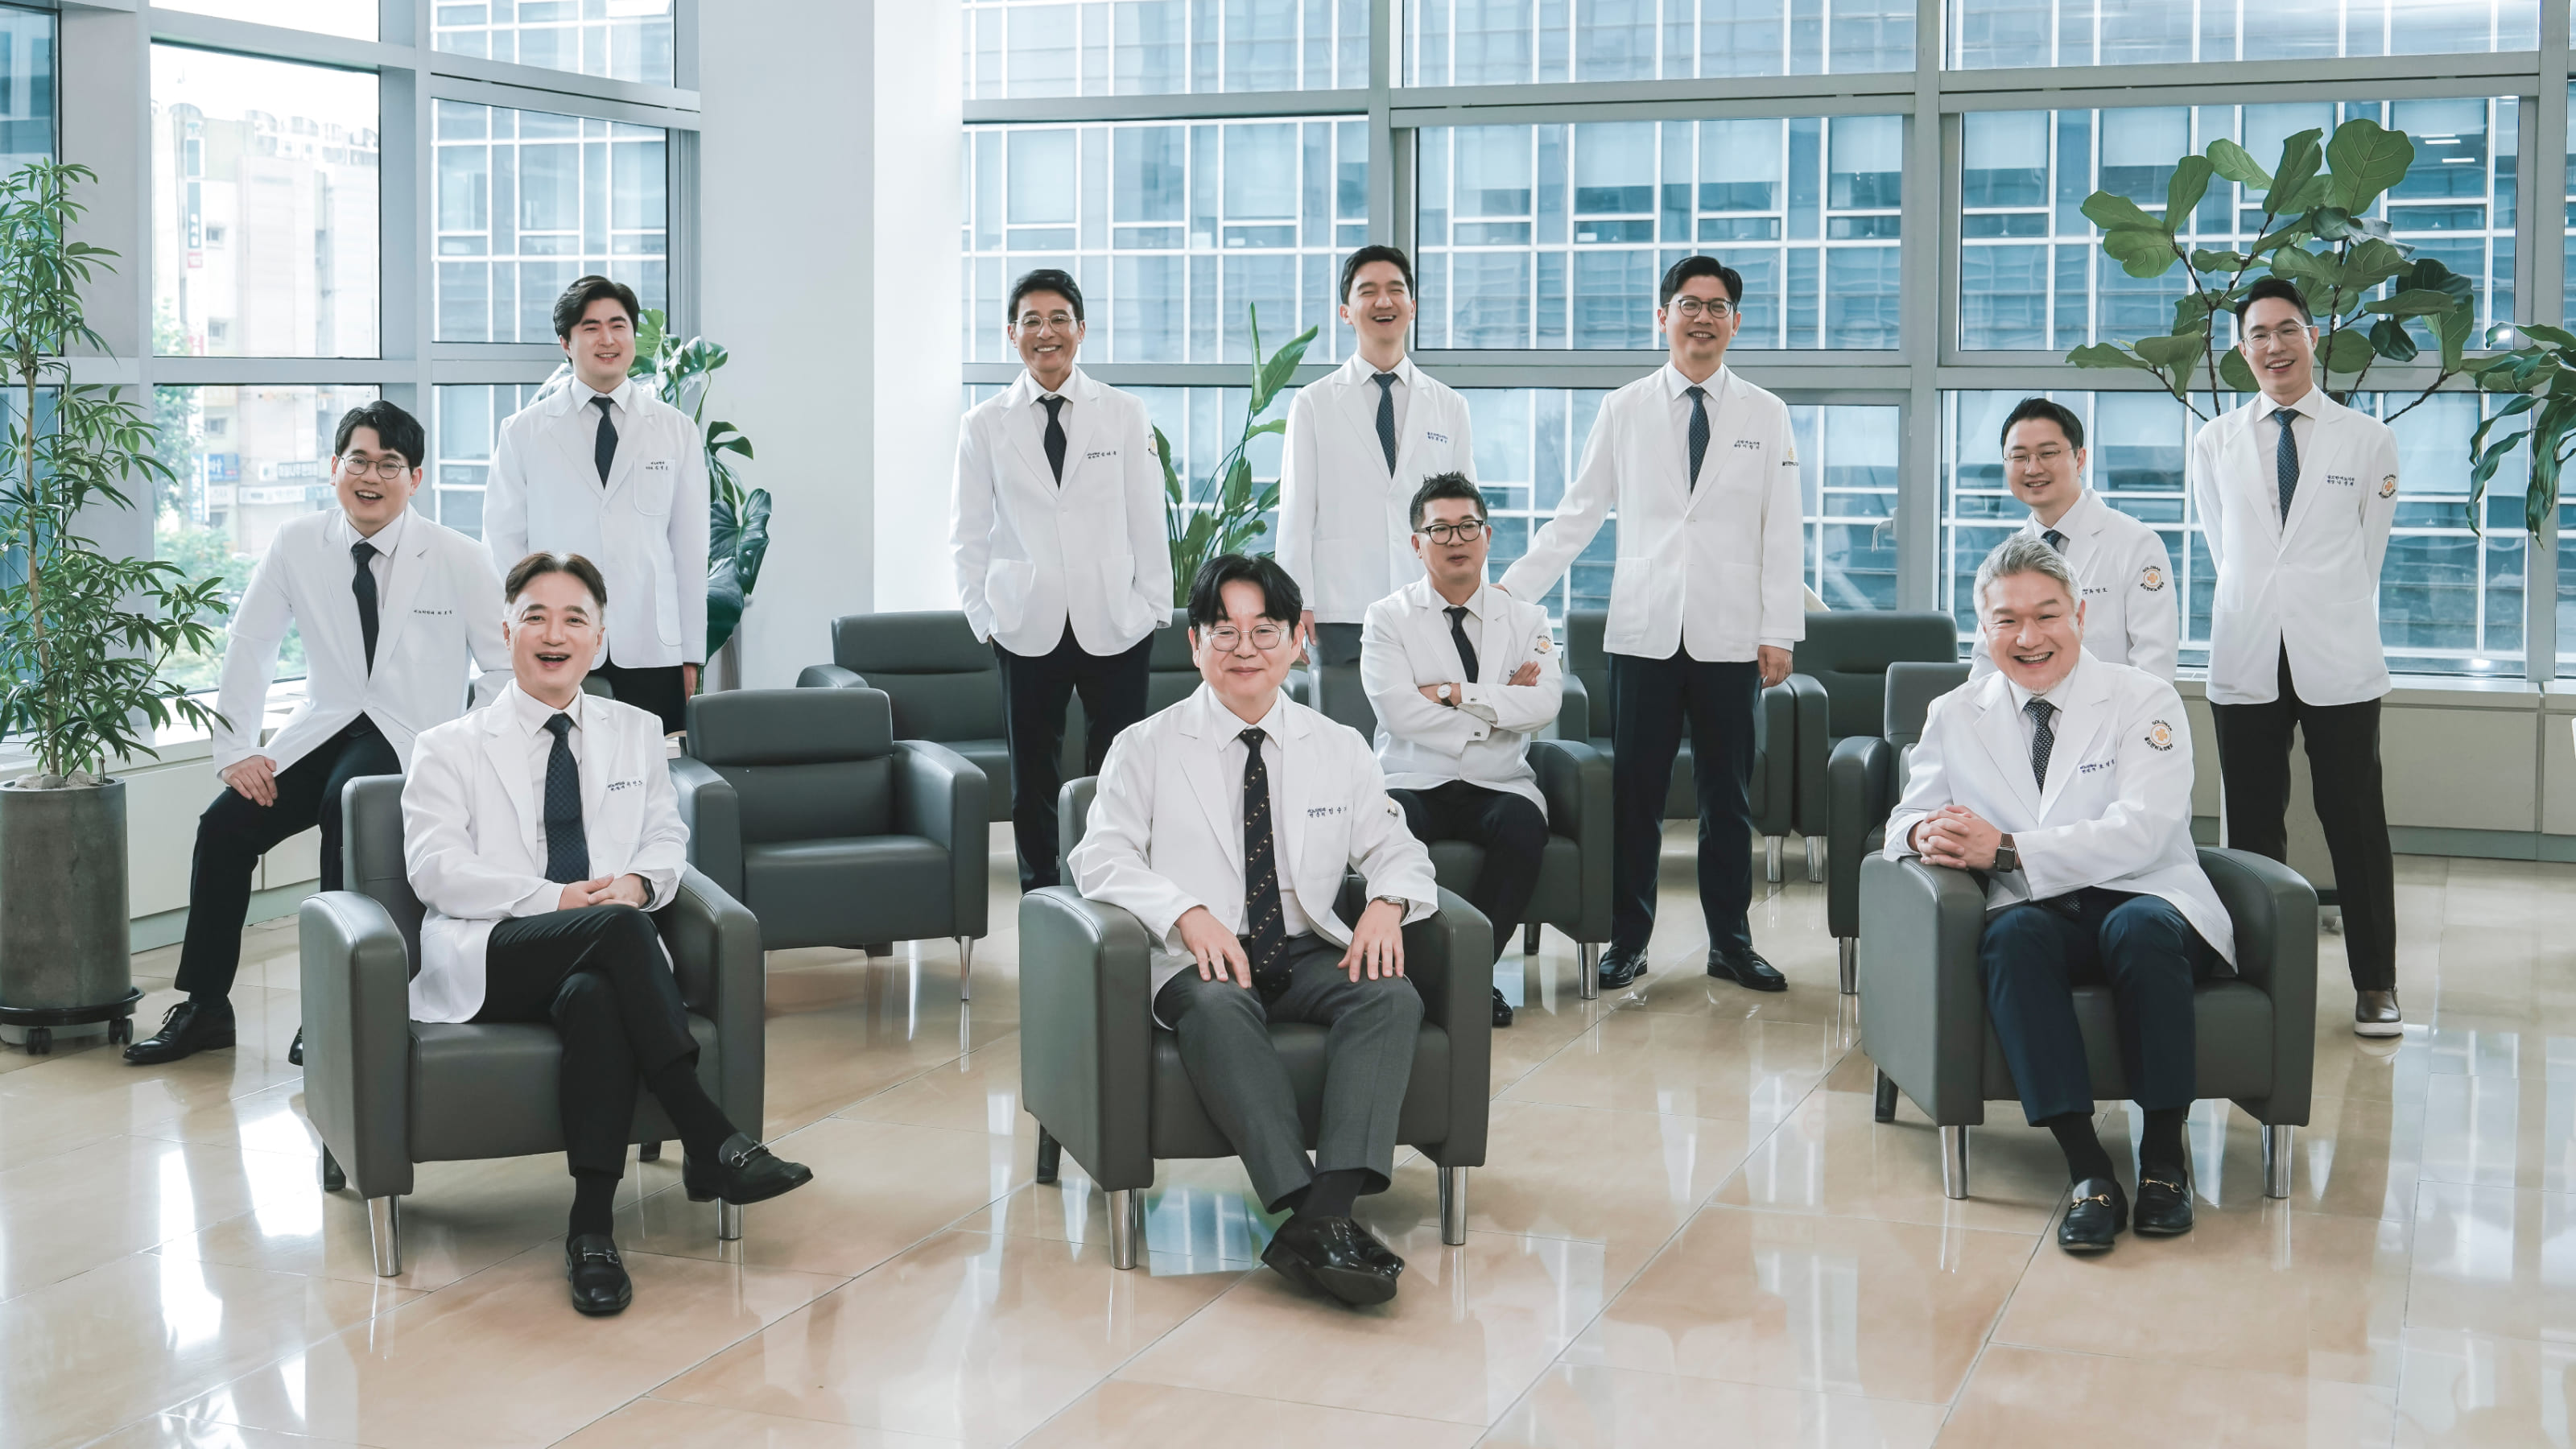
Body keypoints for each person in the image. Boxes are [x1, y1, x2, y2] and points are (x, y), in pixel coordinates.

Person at [402, 552, 811, 1316]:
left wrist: (640, 885)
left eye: (574, 619)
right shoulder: (447, 746)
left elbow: (664, 839)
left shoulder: (637, 730)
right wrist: (555, 899)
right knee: (620, 933)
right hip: (494, 953)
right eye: (535, 617)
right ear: (506, 632)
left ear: (600, 638)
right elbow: (436, 872)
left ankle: (591, 1231)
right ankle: (707, 1133)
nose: (554, 635)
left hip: (601, 954)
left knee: (596, 994)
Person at [1069, 554, 1438, 1308]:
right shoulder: (1145, 745)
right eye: (1224, 631)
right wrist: (1184, 911)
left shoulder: (1336, 745)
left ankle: (1322, 1217)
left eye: (1265, 630)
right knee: (1217, 1005)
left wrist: (1386, 904)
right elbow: (1099, 857)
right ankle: (1312, 1216)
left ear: (1298, 640)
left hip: (1304, 948)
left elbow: (1396, 847)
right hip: (1195, 957)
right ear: (1195, 644)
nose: (1245, 649)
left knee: (1390, 994)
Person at [129, 402, 507, 1068]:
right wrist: (236, 751)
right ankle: (205, 1007)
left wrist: (468, 751)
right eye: (358, 461)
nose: (371, 477)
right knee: (224, 827)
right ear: (334, 467)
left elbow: (501, 670)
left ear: (415, 478)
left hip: (411, 735)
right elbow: (252, 642)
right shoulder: (297, 542)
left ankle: (334, 1009)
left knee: (345, 806)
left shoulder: (460, 556)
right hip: (323, 725)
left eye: (389, 465)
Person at [1886, 535, 2234, 1254]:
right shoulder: (1955, 712)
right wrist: (1926, 832)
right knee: (2011, 937)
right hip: (2038, 909)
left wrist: (2008, 849)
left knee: (2138, 929)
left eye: (2047, 615)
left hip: (2149, 898)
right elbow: (1904, 817)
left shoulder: (2143, 698)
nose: (2029, 637)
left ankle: (2164, 1159)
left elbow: (2147, 829)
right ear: (1984, 629)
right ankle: (2089, 1171)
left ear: (2080, 615)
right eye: (2007, 620)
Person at [1495, 255, 1803, 994]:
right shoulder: (1624, 407)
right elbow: (1577, 515)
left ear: (1736, 322)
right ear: (1662, 316)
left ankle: (1731, 943)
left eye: (1718, 306)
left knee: (1728, 800)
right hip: (1644, 634)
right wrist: (1505, 596)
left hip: (1732, 636)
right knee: (1637, 796)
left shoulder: (1766, 413)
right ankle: (1627, 941)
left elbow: (1783, 528)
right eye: (1689, 304)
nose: (1703, 318)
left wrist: (1780, 631)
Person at [2190, 276, 2403, 1038]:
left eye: (2287, 330)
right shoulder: (2215, 441)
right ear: (2241, 349)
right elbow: (2225, 548)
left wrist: (2320, 604)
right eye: (2258, 335)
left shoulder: (2366, 438)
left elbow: (2368, 551)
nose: (2274, 346)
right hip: (2248, 645)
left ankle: (2376, 983)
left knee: (2355, 819)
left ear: (2313, 338)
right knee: (2251, 826)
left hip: (2337, 651)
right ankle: (2259, 979)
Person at [952, 267, 1171, 892]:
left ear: (1080, 329)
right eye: (1031, 321)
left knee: (1118, 767)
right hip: (1024, 619)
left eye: (1058, 320)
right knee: (1033, 774)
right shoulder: (984, 423)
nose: (1045, 333)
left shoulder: (1123, 413)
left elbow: (1146, 515)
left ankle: (1114, 879)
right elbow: (967, 532)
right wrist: (983, 617)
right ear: (1012, 334)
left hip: (1117, 616)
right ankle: (1042, 892)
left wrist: (1153, 606)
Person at [1360, 473, 1560, 1030]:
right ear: (1417, 543)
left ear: (1488, 536)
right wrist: (1498, 705)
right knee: (1391, 830)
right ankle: (1412, 973)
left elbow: (1545, 703)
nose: (1456, 539)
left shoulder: (1527, 619)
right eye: (1440, 529)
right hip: (1412, 777)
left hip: (1498, 781)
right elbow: (1398, 714)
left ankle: (1469, 975)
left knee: (1523, 826)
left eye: (1468, 526)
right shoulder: (1388, 617)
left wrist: (1454, 693)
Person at [483, 275, 709, 737]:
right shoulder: (523, 432)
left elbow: (690, 550)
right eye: (591, 327)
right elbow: (503, 547)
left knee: (652, 763)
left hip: (651, 645)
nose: (607, 339)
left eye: (618, 325)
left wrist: (691, 654)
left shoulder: (676, 430)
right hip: (556, 642)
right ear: (566, 343)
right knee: (557, 762)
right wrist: (518, 639)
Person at [1275, 245, 1476, 665]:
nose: (1384, 301)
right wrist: (1296, 602)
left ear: (1412, 307)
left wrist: (1475, 601)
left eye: (1395, 290)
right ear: (1346, 312)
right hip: (1342, 606)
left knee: (1432, 706)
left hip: (1429, 601)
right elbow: (1296, 512)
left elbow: (1468, 517)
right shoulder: (1313, 403)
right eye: (1368, 292)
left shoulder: (1449, 405)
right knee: (1343, 706)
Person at [1968, 397, 2178, 683]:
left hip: (2110, 710)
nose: (2032, 468)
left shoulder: (2137, 545)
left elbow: (2154, 667)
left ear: (2080, 459)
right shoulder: (2004, 561)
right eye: (2019, 457)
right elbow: (1987, 665)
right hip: (2025, 711)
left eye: (2047, 453)